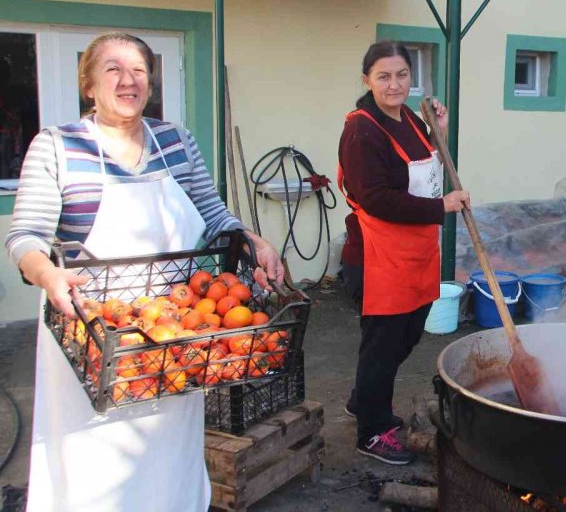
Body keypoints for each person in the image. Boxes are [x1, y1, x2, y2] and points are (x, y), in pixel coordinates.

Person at [4, 32, 284, 512]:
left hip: (173, 329)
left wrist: (253, 241)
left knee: (166, 456)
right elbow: (25, 237)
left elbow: (214, 215)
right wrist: (47, 275)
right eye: (112, 69)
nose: (128, 80)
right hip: (91, 331)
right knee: (93, 463)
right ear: (88, 84)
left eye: (138, 70)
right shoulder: (58, 145)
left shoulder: (176, 141)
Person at [337, 41, 470, 466]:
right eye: (383, 76)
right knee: (382, 345)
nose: (394, 84)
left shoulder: (409, 118)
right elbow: (376, 198)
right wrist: (440, 206)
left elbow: (419, 166)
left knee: (409, 333)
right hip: (377, 257)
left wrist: (438, 131)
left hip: (414, 250)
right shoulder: (361, 132)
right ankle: (372, 431)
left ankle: (364, 398)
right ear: (367, 80)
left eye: (401, 75)